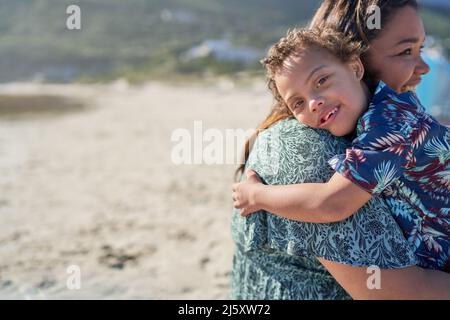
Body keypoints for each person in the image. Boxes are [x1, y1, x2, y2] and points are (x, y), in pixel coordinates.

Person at [230, 0, 450, 299]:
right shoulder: (309, 147)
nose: (314, 102)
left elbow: (333, 203)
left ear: (355, 67)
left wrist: (257, 196)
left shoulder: (390, 125)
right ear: (357, 59)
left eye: (322, 81)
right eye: (404, 52)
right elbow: (402, 292)